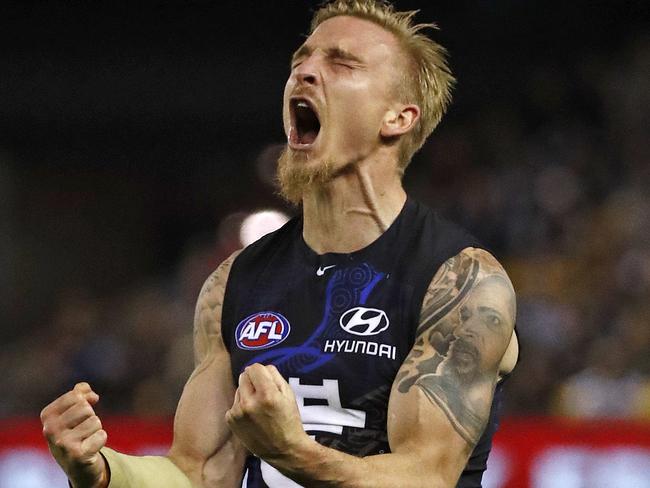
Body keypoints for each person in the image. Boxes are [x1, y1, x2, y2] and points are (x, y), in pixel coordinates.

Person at [40, 1, 519, 486]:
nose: (304, 72)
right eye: (300, 61)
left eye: (340, 62)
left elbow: (426, 476)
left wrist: (292, 451)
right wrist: (102, 471)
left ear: (398, 116)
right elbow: (200, 472)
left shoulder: (458, 281)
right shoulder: (234, 283)